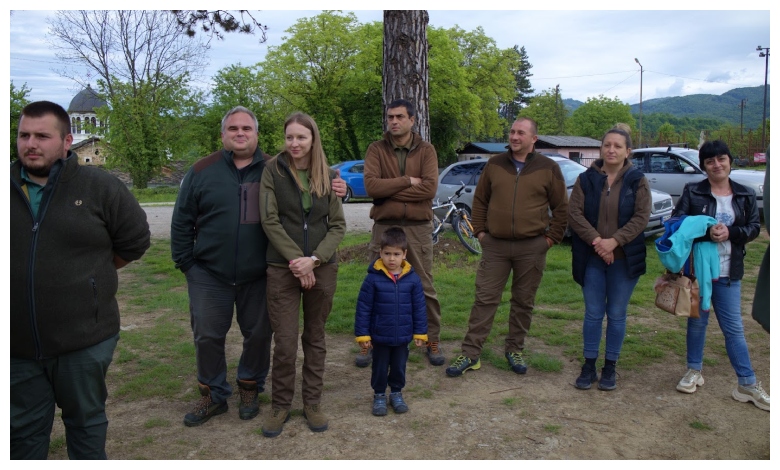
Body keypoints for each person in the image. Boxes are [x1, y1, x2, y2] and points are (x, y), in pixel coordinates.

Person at [171, 106, 346, 427]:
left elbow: (320, 207)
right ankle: (213, 394)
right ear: (223, 134)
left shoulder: (273, 167)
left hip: (258, 273)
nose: (240, 134)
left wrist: (341, 189)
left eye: (246, 129)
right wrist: (187, 265)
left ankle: (250, 387)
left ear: (257, 134)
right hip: (210, 273)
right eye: (233, 129)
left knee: (258, 335)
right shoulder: (202, 170)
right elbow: (181, 220)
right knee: (208, 335)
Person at [11, 101, 151, 459]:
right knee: (22, 432)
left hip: (84, 340)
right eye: (24, 135)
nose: (31, 143)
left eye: (43, 136)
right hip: (16, 347)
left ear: (67, 140)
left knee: (86, 423)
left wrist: (91, 276)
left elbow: (134, 241)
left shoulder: (98, 185)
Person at [445, 117, 568, 377]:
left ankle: (515, 349)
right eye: (512, 132)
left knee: (523, 301)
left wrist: (549, 240)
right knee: (485, 299)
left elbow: (561, 208)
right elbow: (480, 201)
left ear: (534, 139)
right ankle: (470, 353)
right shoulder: (495, 164)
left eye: (521, 133)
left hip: (532, 246)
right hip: (496, 246)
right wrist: (480, 232)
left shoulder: (548, 168)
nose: (514, 137)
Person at [260, 112, 346, 437]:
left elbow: (337, 225)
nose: (294, 143)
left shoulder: (329, 174)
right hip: (282, 268)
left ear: (313, 139)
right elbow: (270, 221)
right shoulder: (273, 171)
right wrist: (298, 260)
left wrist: (315, 260)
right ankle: (280, 405)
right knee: (284, 342)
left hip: (322, 269)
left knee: (315, 337)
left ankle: (312, 402)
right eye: (289, 137)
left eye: (301, 137)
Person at [672, 140, 769, 411]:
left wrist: (731, 232)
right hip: (698, 272)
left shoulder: (745, 194)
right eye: (710, 161)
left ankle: (747, 383)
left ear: (729, 161)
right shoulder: (693, 191)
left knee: (733, 328)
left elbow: (753, 228)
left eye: (721, 159)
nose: (717, 165)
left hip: (729, 271)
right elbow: (677, 222)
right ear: (704, 166)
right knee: (698, 323)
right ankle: (694, 370)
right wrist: (706, 233)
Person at [362, 98, 444, 367]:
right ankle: (373, 341)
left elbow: (429, 189)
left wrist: (390, 190)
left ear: (412, 120)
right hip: (385, 227)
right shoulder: (376, 149)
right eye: (390, 117)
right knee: (378, 284)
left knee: (424, 285)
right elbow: (372, 188)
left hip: (418, 229)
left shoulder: (426, 150)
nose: (394, 122)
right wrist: (407, 181)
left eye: (399, 117)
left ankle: (431, 339)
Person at [568, 124, 651, 391]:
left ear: (628, 151)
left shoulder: (637, 180)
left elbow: (641, 217)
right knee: (593, 313)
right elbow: (575, 214)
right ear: (601, 149)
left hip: (624, 259)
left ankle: (610, 367)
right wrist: (598, 242)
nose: (611, 149)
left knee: (616, 314)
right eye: (607, 145)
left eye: (617, 146)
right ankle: (589, 364)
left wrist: (614, 241)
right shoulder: (586, 179)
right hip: (592, 257)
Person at [354, 227, 428, 416]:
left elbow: (419, 308)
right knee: (379, 367)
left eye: (396, 254)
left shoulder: (413, 280)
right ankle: (379, 395)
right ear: (380, 253)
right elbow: (363, 308)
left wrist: (420, 333)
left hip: (403, 336)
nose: (392, 259)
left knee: (399, 367)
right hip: (380, 336)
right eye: (387, 254)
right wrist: (363, 334)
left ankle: (396, 392)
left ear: (405, 254)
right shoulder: (372, 279)